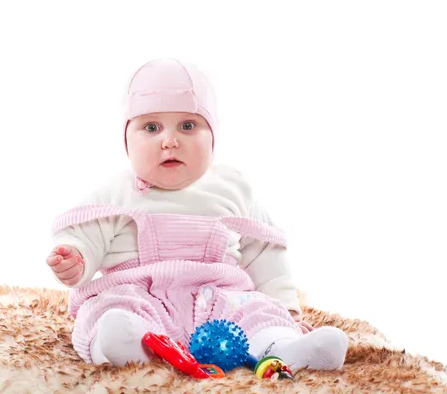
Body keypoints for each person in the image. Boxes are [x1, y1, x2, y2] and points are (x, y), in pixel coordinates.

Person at [47, 58, 349, 372]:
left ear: (213, 136)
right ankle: (132, 344)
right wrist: (76, 260)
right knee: (112, 311)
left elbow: (267, 258)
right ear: (126, 139)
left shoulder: (233, 190)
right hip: (143, 296)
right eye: (151, 127)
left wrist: (288, 315)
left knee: (256, 312)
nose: (170, 141)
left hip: (220, 302)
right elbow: (85, 238)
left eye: (188, 126)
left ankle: (282, 347)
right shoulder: (115, 193)